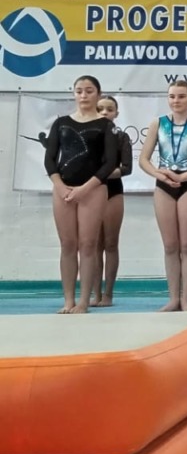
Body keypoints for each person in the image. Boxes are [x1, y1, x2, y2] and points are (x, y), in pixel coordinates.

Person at [138, 80, 187, 312]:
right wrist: (159, 175)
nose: (176, 101)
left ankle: (186, 300)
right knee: (170, 246)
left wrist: (182, 177)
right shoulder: (158, 123)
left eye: (181, 96)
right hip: (164, 185)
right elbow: (143, 159)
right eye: (172, 96)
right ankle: (173, 298)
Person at [44, 74, 118, 314]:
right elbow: (50, 159)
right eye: (79, 91)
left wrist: (86, 188)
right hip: (63, 189)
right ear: (74, 94)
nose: (83, 95)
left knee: (88, 244)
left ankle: (84, 300)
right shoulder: (61, 123)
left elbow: (110, 163)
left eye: (89, 91)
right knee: (67, 244)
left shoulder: (106, 125)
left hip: (93, 189)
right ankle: (68, 300)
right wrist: (60, 186)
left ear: (98, 94)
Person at [90, 94, 133, 306]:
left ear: (116, 113)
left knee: (110, 243)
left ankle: (108, 295)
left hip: (112, 191)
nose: (104, 113)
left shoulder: (121, 137)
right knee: (93, 245)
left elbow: (126, 168)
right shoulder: (87, 136)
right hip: (90, 192)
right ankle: (95, 294)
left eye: (109, 109)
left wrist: (100, 175)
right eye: (100, 109)